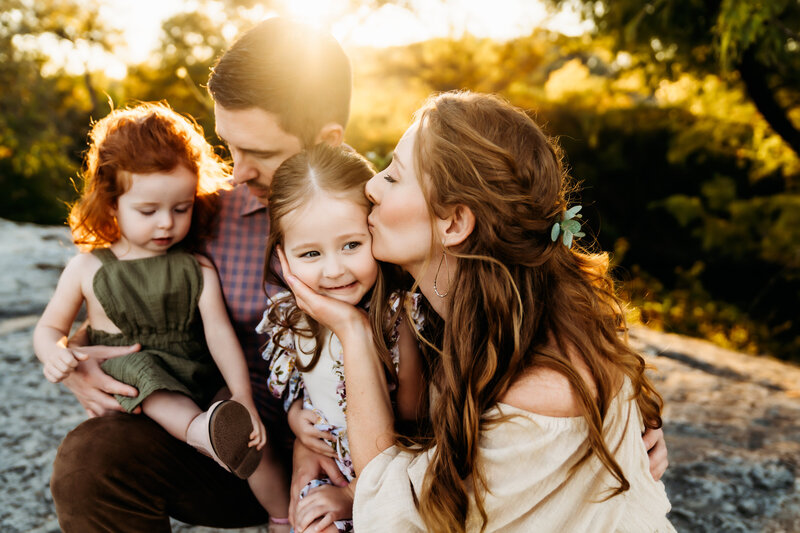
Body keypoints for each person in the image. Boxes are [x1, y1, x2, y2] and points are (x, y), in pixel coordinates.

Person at [278, 91, 676, 532]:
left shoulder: (536, 392)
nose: (371, 185)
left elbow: (393, 514)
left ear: (453, 224)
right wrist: (305, 444)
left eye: (393, 175)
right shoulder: (471, 314)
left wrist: (351, 332)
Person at [47, 18, 351, 532]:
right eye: (228, 146)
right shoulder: (202, 216)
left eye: (260, 153)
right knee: (91, 458)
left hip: (351, 458)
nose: (238, 172)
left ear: (328, 140)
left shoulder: (378, 217)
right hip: (221, 439)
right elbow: (125, 291)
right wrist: (78, 358)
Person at [33, 101, 294, 527]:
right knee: (144, 372)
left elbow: (218, 333)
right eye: (148, 211)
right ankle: (198, 433)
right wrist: (57, 355)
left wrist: (241, 395)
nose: (166, 225)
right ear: (112, 203)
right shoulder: (88, 268)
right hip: (137, 375)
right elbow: (51, 327)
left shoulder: (195, 266)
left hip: (198, 375)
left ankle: (283, 517)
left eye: (181, 208)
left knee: (247, 439)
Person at [257, 144, 425, 532]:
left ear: (374, 231)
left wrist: (352, 495)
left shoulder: (400, 319)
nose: (334, 270)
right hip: (325, 470)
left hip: (389, 481)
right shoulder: (289, 318)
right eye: (310, 254)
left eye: (351, 245)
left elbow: (415, 429)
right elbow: (304, 391)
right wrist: (297, 420)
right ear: (282, 257)